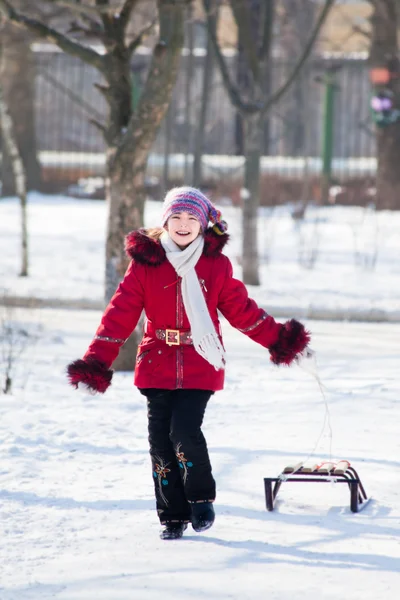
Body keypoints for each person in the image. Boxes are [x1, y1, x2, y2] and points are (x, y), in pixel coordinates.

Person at [67, 186, 311, 540]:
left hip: (201, 361)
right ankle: (172, 515)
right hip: (156, 362)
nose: (183, 224)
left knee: (183, 431)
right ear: (165, 221)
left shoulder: (214, 266)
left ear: (203, 223)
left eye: (191, 218)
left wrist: (279, 340)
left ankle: (200, 499)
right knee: (160, 442)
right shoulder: (146, 265)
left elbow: (243, 311)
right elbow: (119, 315)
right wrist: (96, 361)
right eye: (176, 218)